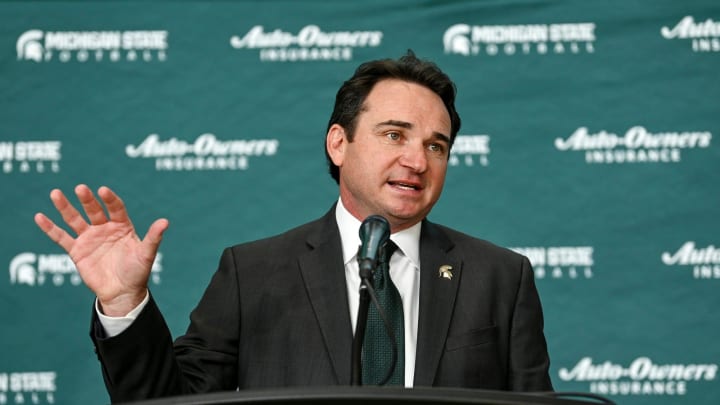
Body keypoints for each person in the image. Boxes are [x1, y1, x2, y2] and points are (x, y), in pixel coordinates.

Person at [34, 51, 552, 403]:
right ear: (338, 144)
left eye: (436, 146)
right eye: (395, 134)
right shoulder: (253, 272)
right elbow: (169, 404)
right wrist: (125, 303)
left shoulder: (500, 278)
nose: (417, 159)